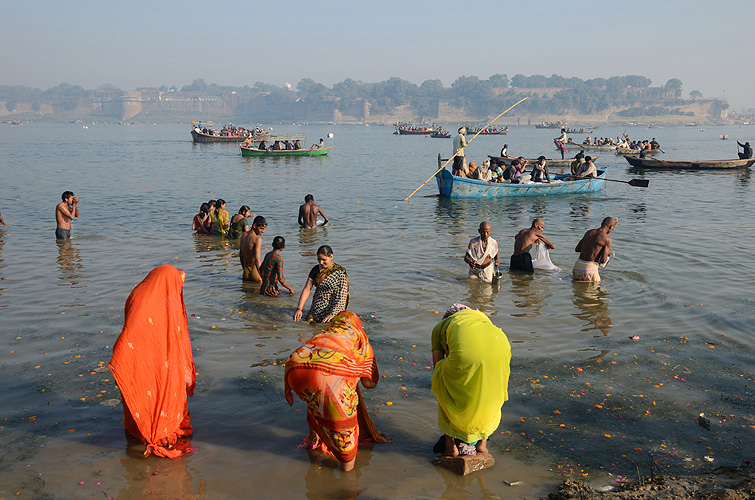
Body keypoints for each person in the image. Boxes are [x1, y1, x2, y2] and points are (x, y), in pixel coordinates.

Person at [108, 265, 196, 458]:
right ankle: (154, 431)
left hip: (154, 355)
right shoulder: (148, 299)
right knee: (153, 389)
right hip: (146, 357)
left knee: (151, 390)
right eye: (177, 286)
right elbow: (132, 332)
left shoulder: (146, 292)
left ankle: (139, 431)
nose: (178, 292)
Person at [285, 311, 388, 471]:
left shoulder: (326, 333)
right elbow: (369, 383)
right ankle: (347, 479)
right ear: (357, 326)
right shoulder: (361, 341)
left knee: (314, 398)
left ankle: (314, 440)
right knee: (346, 440)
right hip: (324, 374)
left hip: (295, 365)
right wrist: (353, 376)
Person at [431, 304, 511, 457]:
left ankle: (451, 448)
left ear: (448, 316)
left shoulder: (441, 326)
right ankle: (482, 446)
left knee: (442, 383)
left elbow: (437, 364)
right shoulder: (483, 320)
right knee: (492, 389)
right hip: (502, 346)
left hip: (469, 354)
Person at [293, 245, 349, 323]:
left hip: (333, 312)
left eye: (324, 260)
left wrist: (333, 314)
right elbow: (307, 288)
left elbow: (342, 296)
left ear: (331, 256)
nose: (321, 262)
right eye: (319, 259)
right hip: (316, 309)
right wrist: (299, 309)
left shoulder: (340, 272)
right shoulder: (315, 270)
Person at [572, 217, 617, 283]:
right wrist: (608, 252)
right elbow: (603, 260)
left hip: (578, 266)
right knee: (593, 292)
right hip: (590, 269)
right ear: (610, 227)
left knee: (577, 291)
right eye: (612, 229)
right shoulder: (607, 239)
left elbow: (577, 249)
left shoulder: (589, 232)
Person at [239, 216, 267, 282]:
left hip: (246, 271)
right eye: (261, 228)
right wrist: (262, 275)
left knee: (246, 290)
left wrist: (244, 269)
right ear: (254, 226)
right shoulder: (257, 239)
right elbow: (257, 259)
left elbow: (241, 255)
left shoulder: (243, 236)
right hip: (255, 271)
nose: (263, 231)